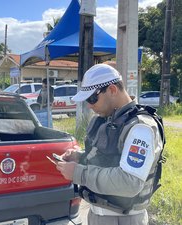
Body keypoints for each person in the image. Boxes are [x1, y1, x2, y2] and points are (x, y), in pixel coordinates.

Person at [55, 64, 165, 225]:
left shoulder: (141, 127)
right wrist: (81, 156)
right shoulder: (108, 119)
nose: (89, 105)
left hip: (124, 219)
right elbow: (109, 156)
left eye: (92, 98)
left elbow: (129, 183)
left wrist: (80, 173)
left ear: (112, 90)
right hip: (98, 215)